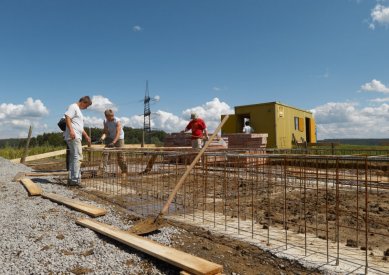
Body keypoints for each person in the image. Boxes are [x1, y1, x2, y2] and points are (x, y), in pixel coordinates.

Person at [64, 96, 92, 186]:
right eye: (86, 106)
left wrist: (86, 136)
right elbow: (67, 117)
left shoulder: (78, 110)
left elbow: (79, 127)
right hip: (74, 136)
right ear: (83, 102)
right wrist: (72, 131)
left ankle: (72, 179)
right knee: (78, 157)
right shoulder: (73, 106)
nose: (86, 108)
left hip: (76, 135)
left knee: (74, 157)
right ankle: (75, 180)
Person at [98, 109, 128, 175]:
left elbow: (118, 133)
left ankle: (124, 171)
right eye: (110, 116)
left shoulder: (117, 121)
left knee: (121, 155)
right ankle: (101, 171)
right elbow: (106, 132)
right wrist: (102, 138)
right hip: (110, 137)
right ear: (106, 116)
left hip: (119, 138)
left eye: (113, 116)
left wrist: (114, 142)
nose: (112, 117)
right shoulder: (105, 121)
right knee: (105, 153)